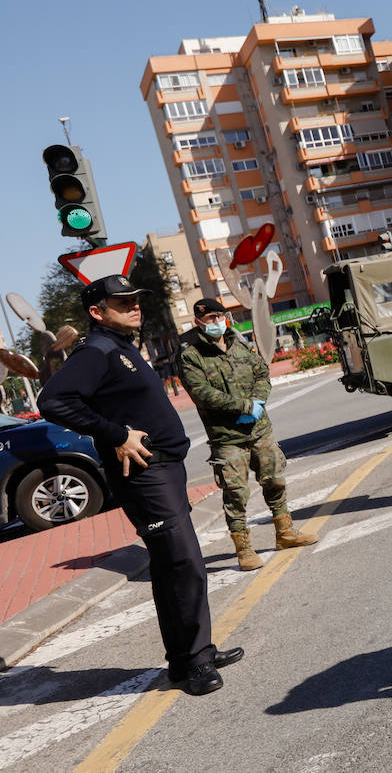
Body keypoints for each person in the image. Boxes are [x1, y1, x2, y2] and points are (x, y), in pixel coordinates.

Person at [37, 275, 242, 696]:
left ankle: (187, 657)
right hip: (145, 476)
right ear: (97, 312)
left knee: (170, 565)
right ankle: (196, 662)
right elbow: (53, 401)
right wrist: (115, 434)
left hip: (165, 468)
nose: (134, 307)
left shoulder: (122, 345)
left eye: (135, 300)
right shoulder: (96, 350)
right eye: (122, 302)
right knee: (184, 562)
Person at [178, 298, 318, 572]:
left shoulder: (240, 344)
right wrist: (243, 406)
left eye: (220, 315)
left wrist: (258, 401)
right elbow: (202, 393)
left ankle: (285, 533)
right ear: (198, 322)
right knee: (236, 494)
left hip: (259, 429)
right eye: (210, 318)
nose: (217, 321)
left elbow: (262, 373)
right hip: (227, 437)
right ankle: (244, 549)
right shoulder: (191, 356)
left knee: (275, 480)